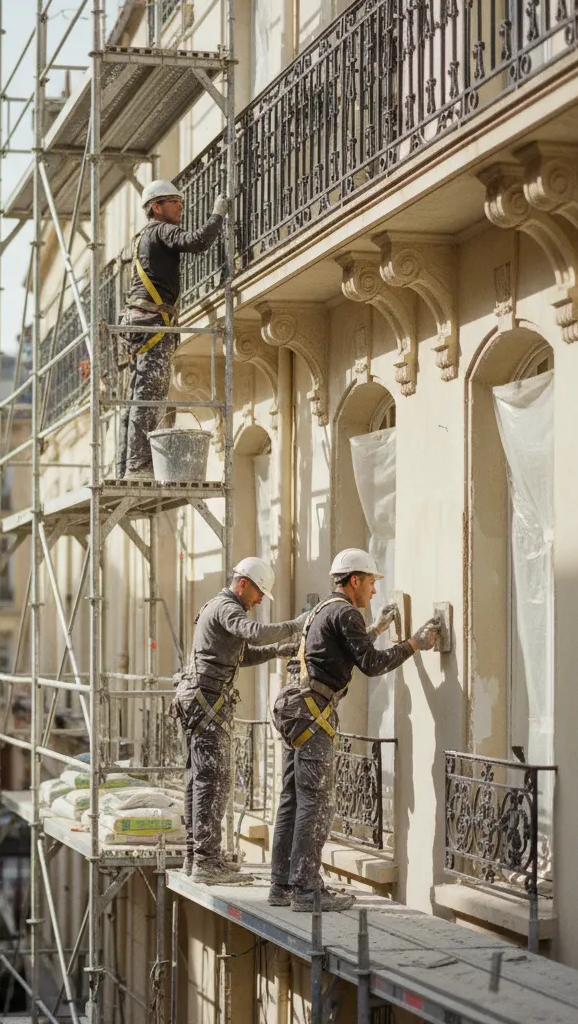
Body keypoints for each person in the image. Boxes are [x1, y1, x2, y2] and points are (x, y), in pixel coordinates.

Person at [268, 548, 441, 913]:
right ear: (355, 581)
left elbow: (341, 650)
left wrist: (376, 627)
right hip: (311, 712)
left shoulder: (324, 610)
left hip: (294, 708)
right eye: (372, 583)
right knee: (316, 802)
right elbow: (372, 664)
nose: (374, 592)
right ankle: (306, 891)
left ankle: (281, 886)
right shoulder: (345, 611)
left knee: (293, 799)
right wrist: (415, 643)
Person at [172, 557, 309, 885]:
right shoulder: (227, 608)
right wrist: (295, 624)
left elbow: (242, 654)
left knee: (200, 777)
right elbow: (253, 634)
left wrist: (278, 651)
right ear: (243, 584)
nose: (260, 600)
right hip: (205, 700)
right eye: (259, 593)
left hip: (198, 698)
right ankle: (207, 862)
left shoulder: (220, 610)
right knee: (212, 778)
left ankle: (196, 857)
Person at [115, 179, 227, 478]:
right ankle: (139, 468)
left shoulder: (142, 237)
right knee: (150, 396)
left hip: (139, 323)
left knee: (136, 396)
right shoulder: (162, 231)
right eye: (174, 201)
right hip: (153, 325)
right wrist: (217, 215)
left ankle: (125, 466)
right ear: (156, 207)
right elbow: (197, 242)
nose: (181, 206)